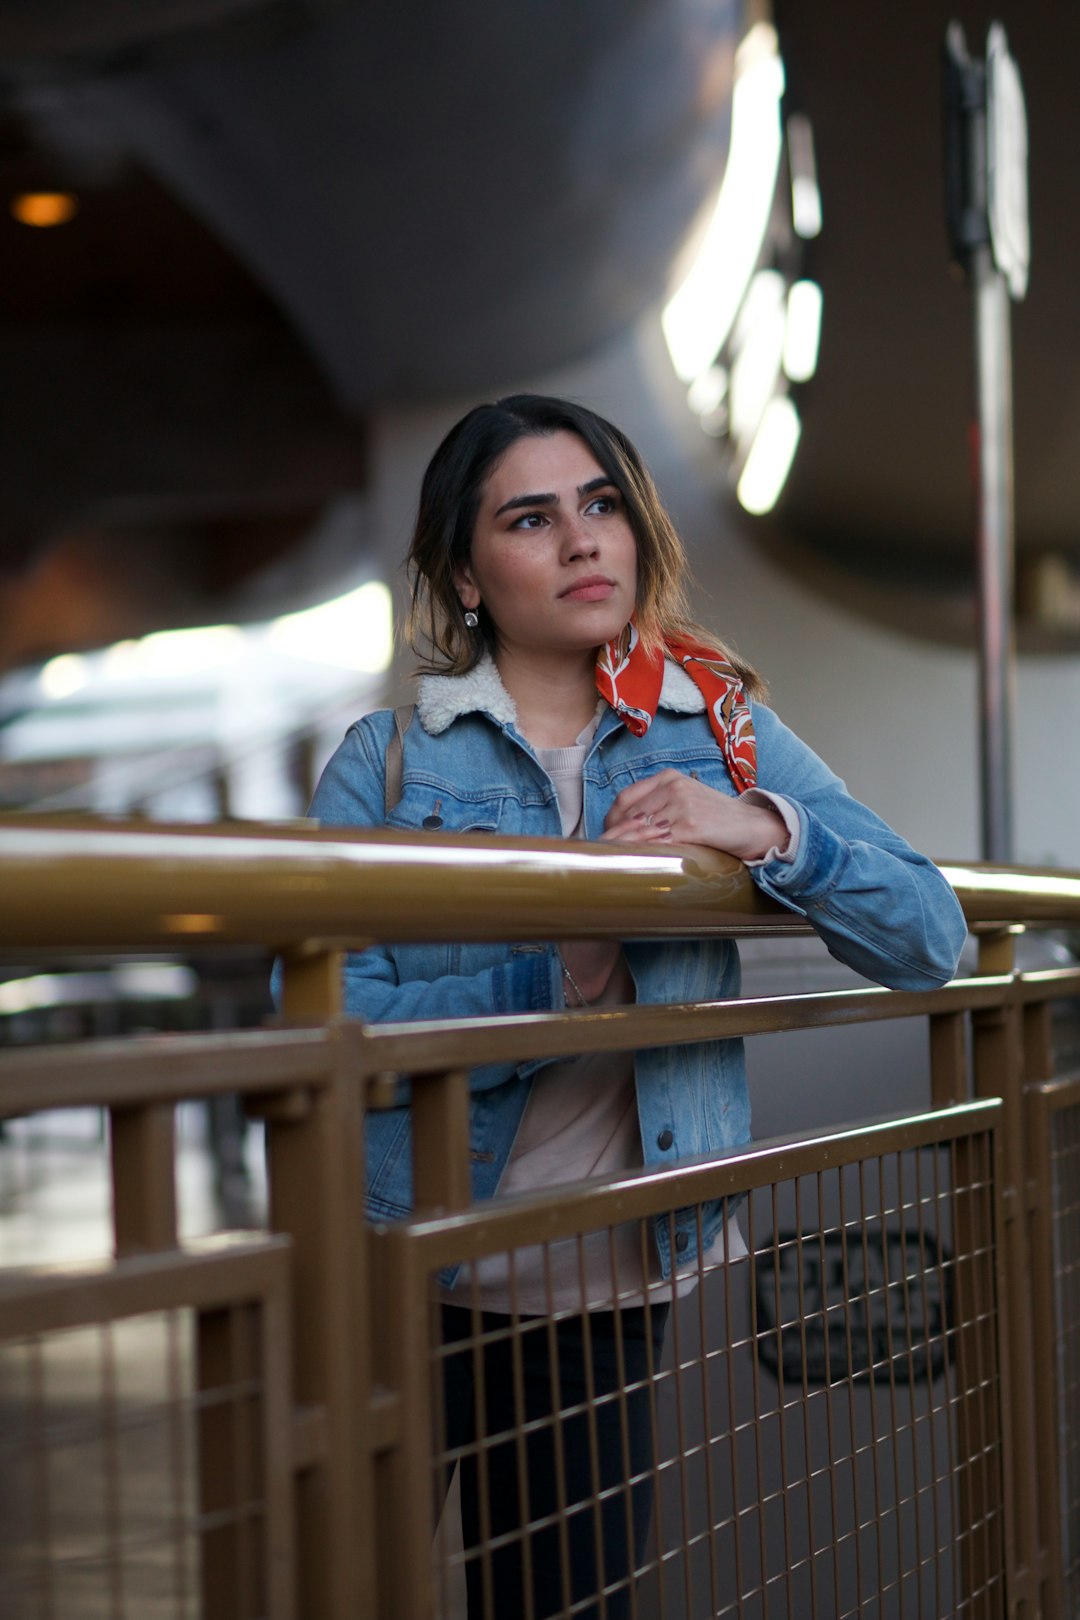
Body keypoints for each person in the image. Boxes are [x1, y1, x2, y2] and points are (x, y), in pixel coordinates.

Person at [305, 394, 967, 1619]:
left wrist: (765, 829)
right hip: (395, 1262)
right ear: (464, 571)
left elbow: (931, 939)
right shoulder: (385, 764)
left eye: (602, 503)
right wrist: (558, 974)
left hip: (595, 1284)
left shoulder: (723, 737)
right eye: (531, 517)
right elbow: (335, 1028)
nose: (582, 540)